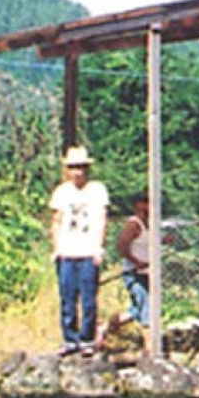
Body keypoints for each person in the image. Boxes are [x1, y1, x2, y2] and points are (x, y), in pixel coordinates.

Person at [48, 145, 109, 355]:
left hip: (88, 251)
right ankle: (69, 339)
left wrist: (98, 248)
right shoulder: (61, 192)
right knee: (67, 298)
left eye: (81, 167)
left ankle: (87, 338)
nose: (78, 172)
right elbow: (56, 221)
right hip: (67, 252)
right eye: (73, 167)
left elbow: (101, 220)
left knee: (89, 299)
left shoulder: (97, 190)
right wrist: (57, 248)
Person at [116, 193, 154, 327]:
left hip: (148, 272)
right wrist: (136, 261)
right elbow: (121, 245)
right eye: (145, 202)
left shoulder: (150, 225)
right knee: (147, 304)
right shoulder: (134, 225)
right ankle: (149, 343)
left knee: (137, 309)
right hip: (134, 273)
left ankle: (108, 327)